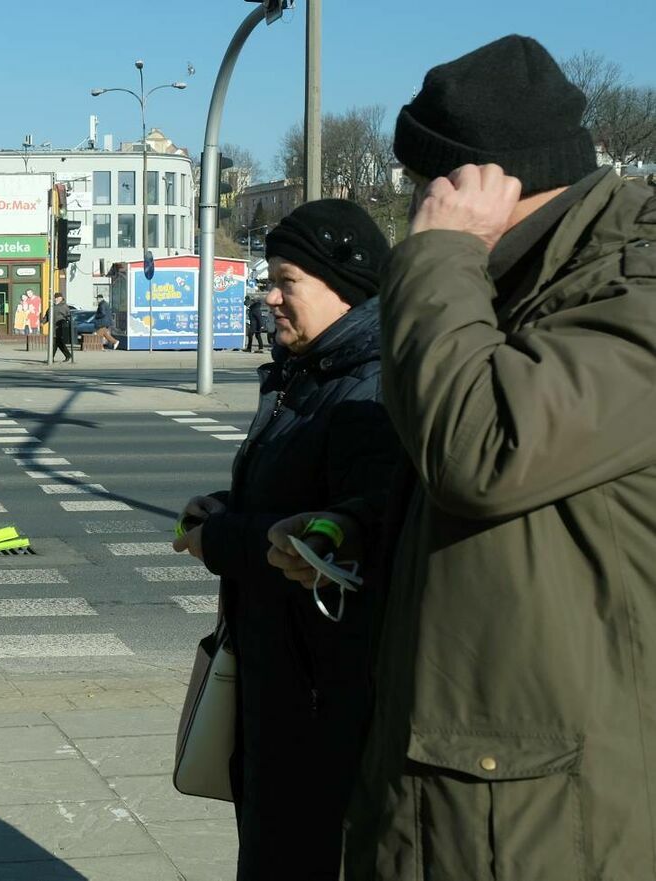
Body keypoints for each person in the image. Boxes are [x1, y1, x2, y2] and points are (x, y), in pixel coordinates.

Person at [337, 36, 656, 881]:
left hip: (543, 815)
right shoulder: (526, 281)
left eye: (421, 184)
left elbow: (483, 451)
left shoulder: (631, 287)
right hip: (479, 791)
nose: (413, 205)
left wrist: (442, 254)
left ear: (477, 183)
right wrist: (361, 534)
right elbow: (540, 516)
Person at [171, 200, 402, 880]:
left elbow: (337, 542)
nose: (267, 296)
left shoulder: (370, 388)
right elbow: (298, 494)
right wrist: (229, 505)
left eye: (285, 280)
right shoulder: (311, 373)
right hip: (285, 676)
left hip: (323, 694)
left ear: (345, 285)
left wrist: (221, 536)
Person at [44, 293, 73, 362]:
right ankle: (68, 355)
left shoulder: (64, 306)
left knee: (55, 343)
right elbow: (47, 316)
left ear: (60, 298)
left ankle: (51, 358)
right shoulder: (51, 306)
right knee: (59, 343)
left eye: (56, 298)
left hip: (60, 328)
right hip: (52, 328)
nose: (55, 299)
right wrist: (42, 322)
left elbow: (68, 316)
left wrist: (68, 323)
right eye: (54, 298)